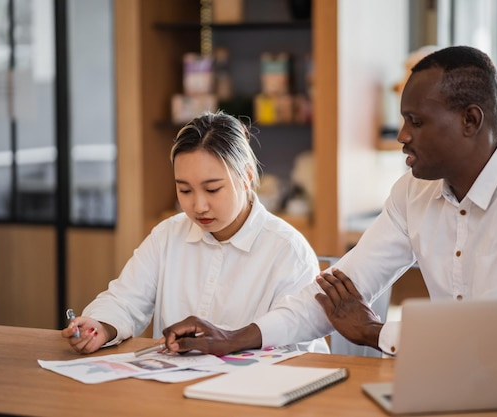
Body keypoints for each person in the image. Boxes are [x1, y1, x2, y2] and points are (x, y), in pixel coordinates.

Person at [161, 46, 497, 375]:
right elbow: (339, 292)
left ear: (471, 120)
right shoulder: (414, 192)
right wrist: (236, 338)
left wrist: (373, 333)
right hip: (454, 388)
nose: (402, 135)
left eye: (417, 121)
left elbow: (493, 338)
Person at [61, 110, 329, 354]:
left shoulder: (287, 250)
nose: (198, 206)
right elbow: (124, 299)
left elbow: (297, 343)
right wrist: (99, 326)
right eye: (185, 190)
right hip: (173, 392)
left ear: (247, 177)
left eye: (212, 189)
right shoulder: (168, 236)